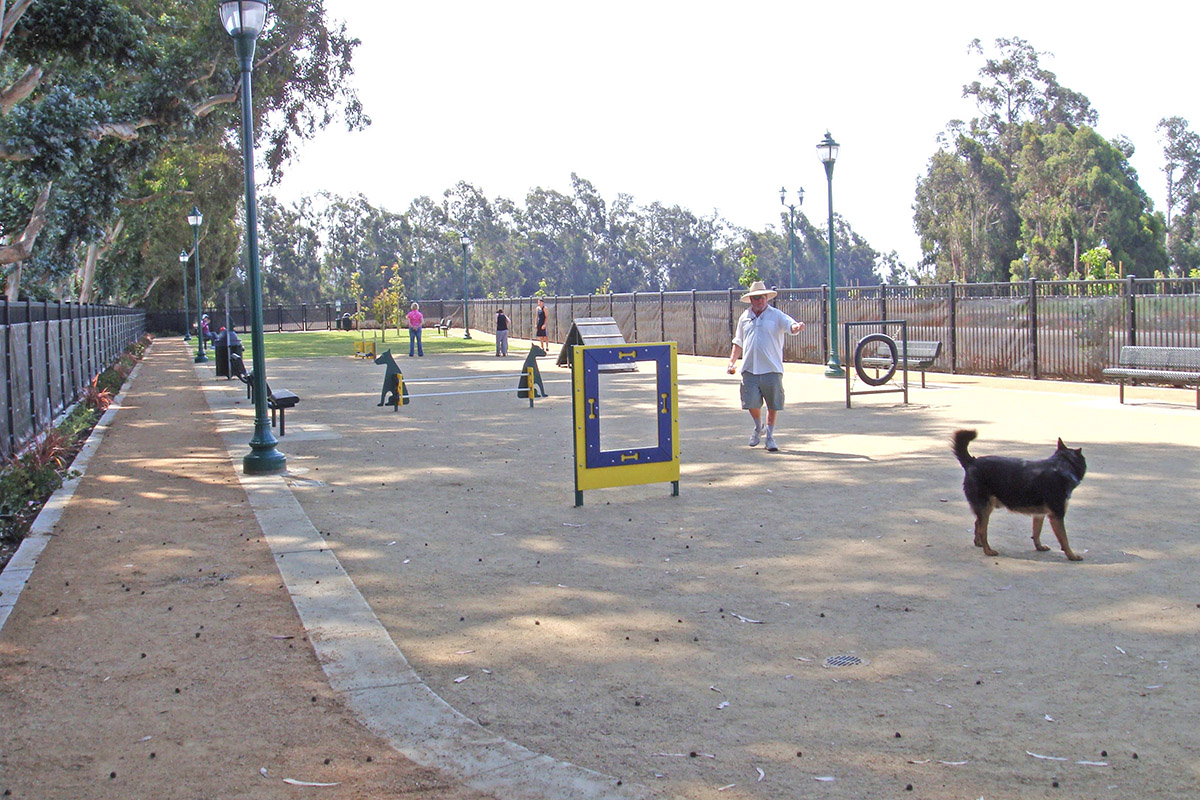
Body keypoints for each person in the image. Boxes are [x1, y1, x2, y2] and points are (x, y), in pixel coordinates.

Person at [727, 281, 804, 452]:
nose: (759, 300)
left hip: (771, 367)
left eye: (762, 297)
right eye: (756, 298)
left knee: (773, 404)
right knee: (750, 403)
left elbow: (790, 325)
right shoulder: (744, 317)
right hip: (749, 368)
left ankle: (770, 436)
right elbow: (738, 341)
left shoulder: (776, 315)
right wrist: (732, 361)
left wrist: (796, 327)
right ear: (751, 300)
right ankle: (758, 427)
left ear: (766, 298)